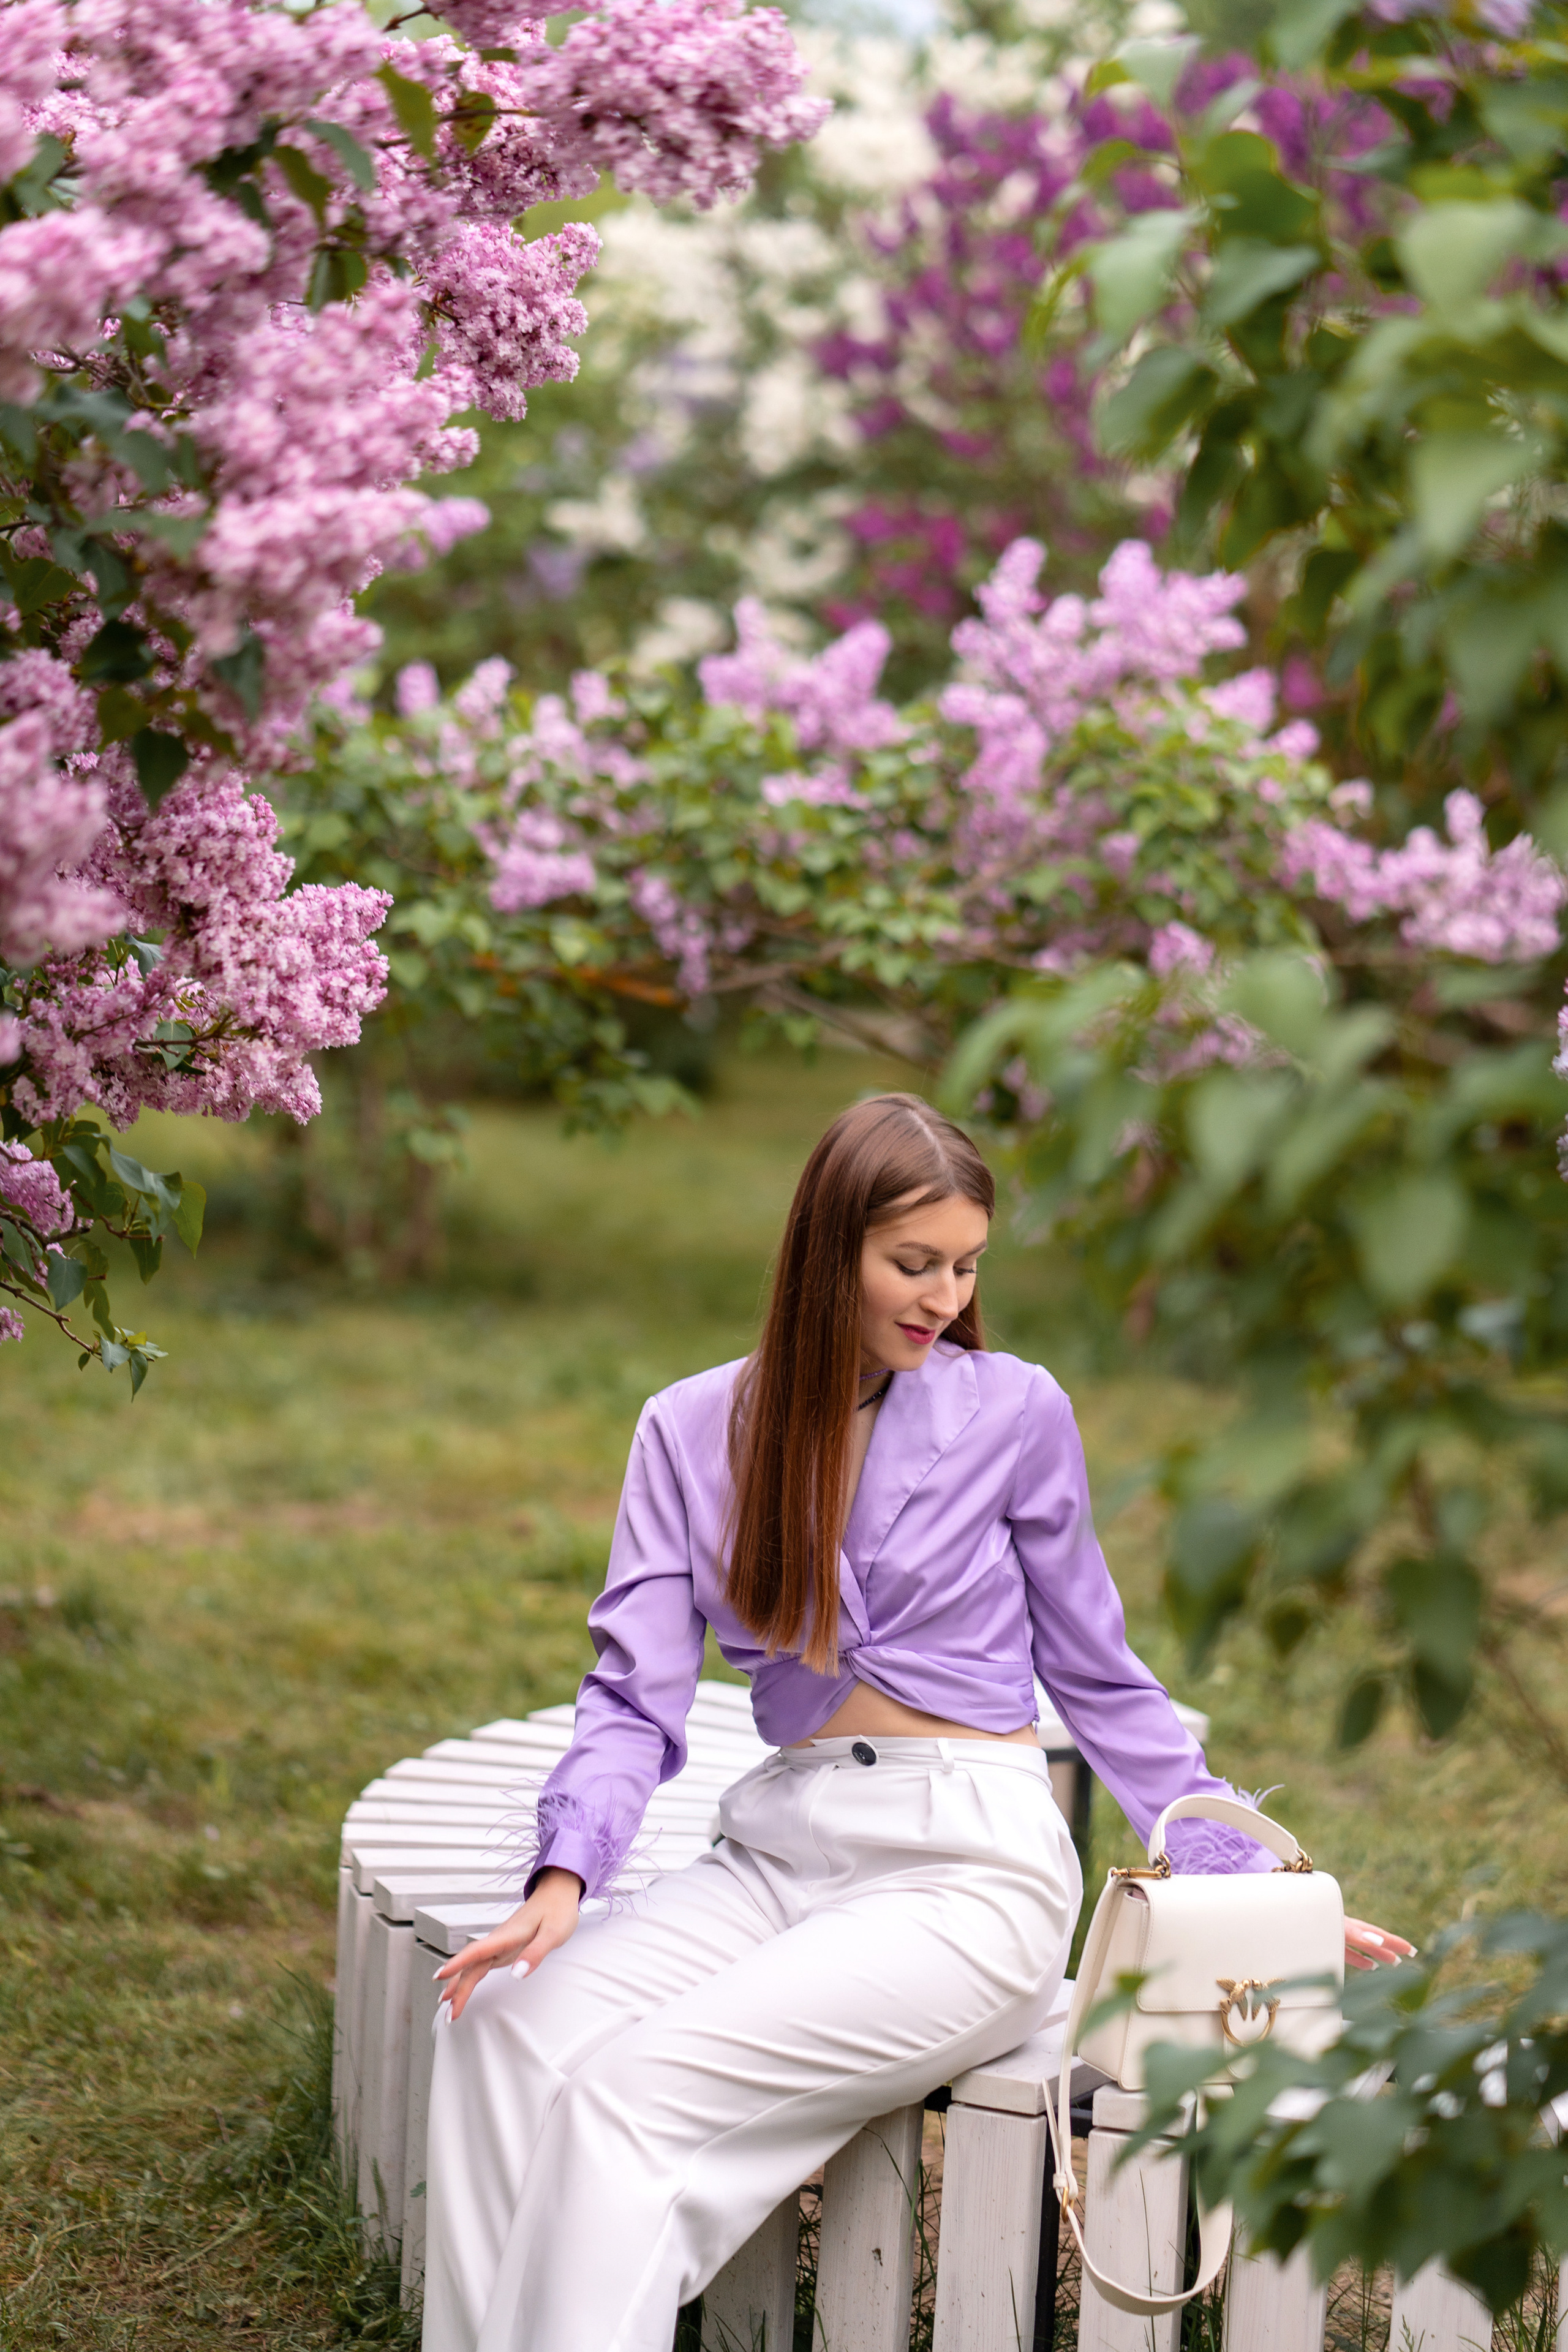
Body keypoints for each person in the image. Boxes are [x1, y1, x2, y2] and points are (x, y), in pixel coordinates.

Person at [421, 1092, 1410, 2352]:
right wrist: (565, 1873)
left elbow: (1100, 1676)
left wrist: (1254, 1882)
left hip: (967, 1869)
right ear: (824, 1251)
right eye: (912, 1262)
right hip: (778, 1851)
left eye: (965, 1265)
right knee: (501, 2027)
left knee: (627, 2102)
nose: (944, 1294)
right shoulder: (686, 1429)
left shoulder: (1013, 1410)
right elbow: (630, 1690)